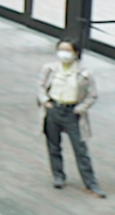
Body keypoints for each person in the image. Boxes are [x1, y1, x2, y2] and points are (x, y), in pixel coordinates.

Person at [42, 40, 104, 197]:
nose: (64, 53)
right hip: (54, 109)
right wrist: (46, 102)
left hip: (72, 113)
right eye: (61, 50)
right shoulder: (50, 68)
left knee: (80, 149)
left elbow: (92, 95)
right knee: (53, 145)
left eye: (67, 50)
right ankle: (58, 175)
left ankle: (91, 183)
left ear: (76, 53)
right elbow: (40, 86)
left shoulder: (84, 73)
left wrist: (80, 109)